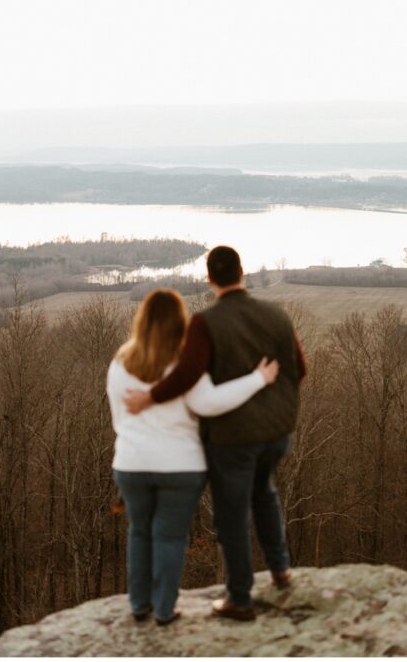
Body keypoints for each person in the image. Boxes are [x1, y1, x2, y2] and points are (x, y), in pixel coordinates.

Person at [124, 246, 307, 621]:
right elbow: (299, 368)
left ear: (210, 279)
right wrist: (274, 401)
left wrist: (150, 397)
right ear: (242, 272)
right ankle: (281, 569)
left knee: (231, 515)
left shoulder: (206, 323)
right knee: (265, 493)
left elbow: (189, 373)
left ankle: (240, 598)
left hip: (233, 440)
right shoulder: (277, 316)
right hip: (276, 432)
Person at [107, 288, 279, 625]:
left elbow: (118, 419)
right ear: (180, 321)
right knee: (169, 537)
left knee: (139, 533)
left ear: (142, 319)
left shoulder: (120, 363)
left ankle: (139, 605)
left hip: (132, 462)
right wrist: (258, 378)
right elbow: (209, 403)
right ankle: (164, 610)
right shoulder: (186, 362)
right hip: (181, 466)